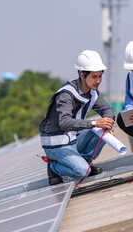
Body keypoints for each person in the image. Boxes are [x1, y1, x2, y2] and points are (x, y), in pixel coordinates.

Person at [39, 50, 115, 185]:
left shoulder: (92, 92)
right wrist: (94, 123)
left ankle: (84, 161)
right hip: (57, 144)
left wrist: (108, 123)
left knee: (106, 131)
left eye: (100, 76)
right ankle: (53, 167)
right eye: (94, 77)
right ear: (81, 75)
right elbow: (64, 122)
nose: (98, 81)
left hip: (73, 139)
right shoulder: (66, 95)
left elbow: (107, 110)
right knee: (81, 172)